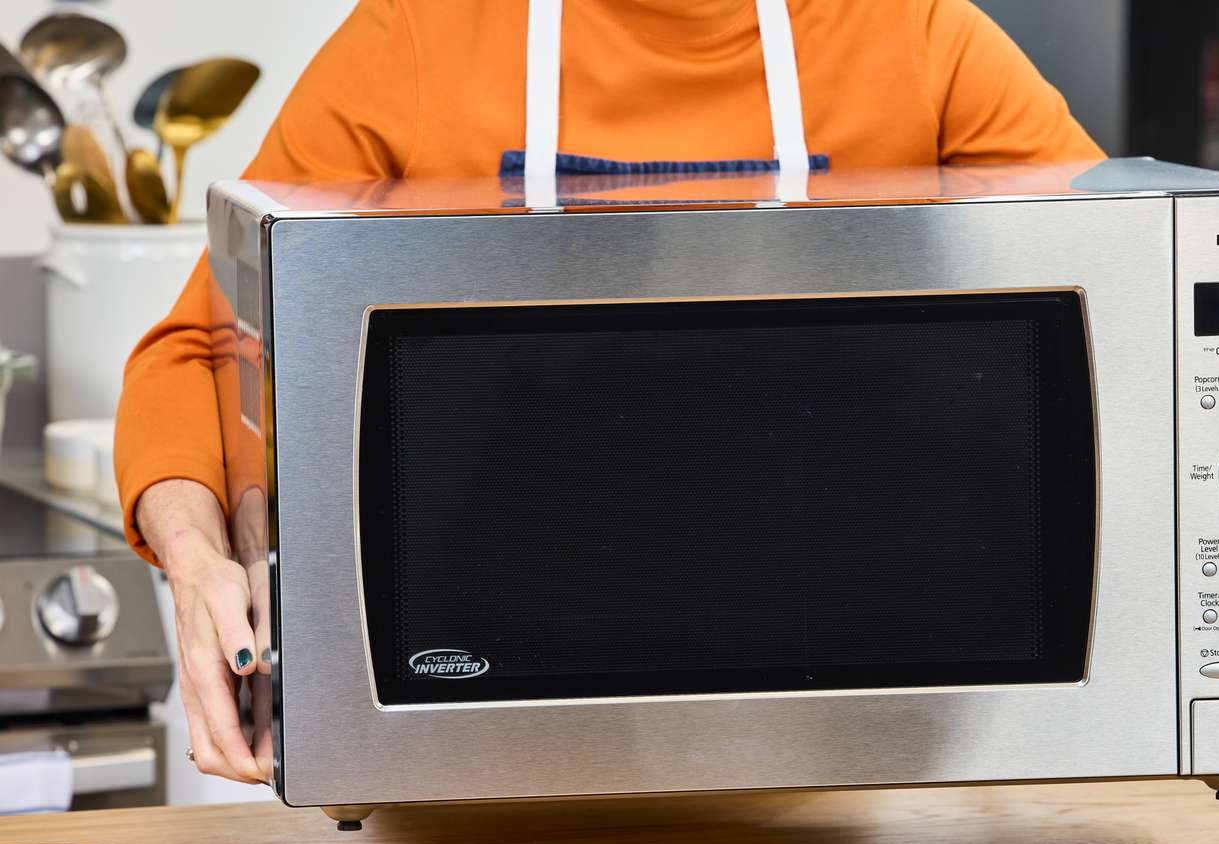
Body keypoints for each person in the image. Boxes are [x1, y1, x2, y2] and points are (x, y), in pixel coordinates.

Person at [115, 0, 1103, 785]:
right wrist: (197, 562)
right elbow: (201, 349)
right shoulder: (425, 33)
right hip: (485, 771)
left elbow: (1111, 300)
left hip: (866, 787)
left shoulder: (913, 34)